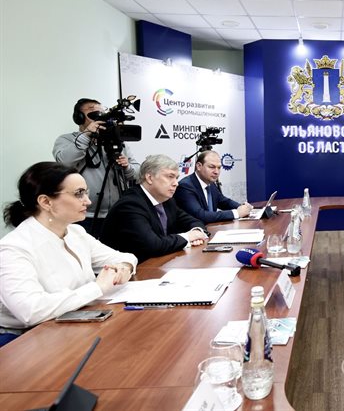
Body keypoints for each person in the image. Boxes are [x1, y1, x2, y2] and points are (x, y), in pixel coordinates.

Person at [0, 162, 137, 347]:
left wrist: (124, 268)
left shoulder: (75, 232)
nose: (88, 201)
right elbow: (31, 311)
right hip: (26, 339)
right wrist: (97, 287)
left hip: (75, 323)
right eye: (78, 194)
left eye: (86, 192)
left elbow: (125, 257)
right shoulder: (13, 248)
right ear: (46, 202)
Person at [53, 98, 140, 238]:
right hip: (83, 215)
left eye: (102, 113)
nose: (100, 117)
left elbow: (137, 173)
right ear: (79, 118)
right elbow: (64, 162)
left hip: (116, 213)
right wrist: (87, 135)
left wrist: (127, 167)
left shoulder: (117, 141)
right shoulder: (67, 140)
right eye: (93, 113)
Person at [101, 154, 208, 262]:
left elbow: (192, 221)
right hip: (129, 268)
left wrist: (197, 231)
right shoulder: (130, 205)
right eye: (170, 177)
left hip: (158, 263)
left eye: (176, 178)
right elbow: (153, 245)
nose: (176, 183)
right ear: (149, 178)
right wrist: (188, 237)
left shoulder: (167, 200)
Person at [174, 151, 253, 223]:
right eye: (212, 167)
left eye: (219, 168)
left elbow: (223, 201)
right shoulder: (185, 186)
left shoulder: (210, 182)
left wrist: (242, 207)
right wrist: (236, 213)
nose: (216, 172)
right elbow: (201, 215)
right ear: (199, 166)